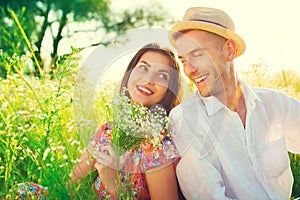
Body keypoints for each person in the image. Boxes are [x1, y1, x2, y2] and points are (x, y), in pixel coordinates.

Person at [168, 7, 300, 199]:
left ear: (229, 50)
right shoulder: (186, 119)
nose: (189, 69)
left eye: (197, 55)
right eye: (183, 60)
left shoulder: (275, 103)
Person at [69, 43, 182, 199]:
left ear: (169, 90)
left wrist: (113, 184)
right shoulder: (106, 132)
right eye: (143, 68)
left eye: (162, 76)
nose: (149, 79)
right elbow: (68, 187)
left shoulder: (156, 145)